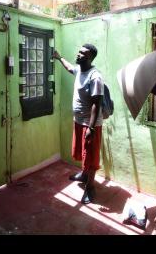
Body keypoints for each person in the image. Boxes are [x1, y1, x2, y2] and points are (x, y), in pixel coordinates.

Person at [53, 44, 104, 204]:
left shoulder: (95, 77)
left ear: (89, 58)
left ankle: (90, 187)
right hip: (79, 121)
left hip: (90, 125)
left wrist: (91, 128)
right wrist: (59, 56)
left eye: (82, 53)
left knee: (91, 156)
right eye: (79, 51)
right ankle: (83, 175)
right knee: (82, 152)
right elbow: (69, 68)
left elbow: (97, 103)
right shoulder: (80, 70)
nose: (78, 54)